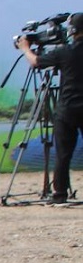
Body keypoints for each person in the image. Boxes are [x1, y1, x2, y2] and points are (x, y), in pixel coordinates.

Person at [18, 13, 83, 203]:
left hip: (67, 109)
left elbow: (36, 62)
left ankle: (60, 194)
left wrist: (25, 48)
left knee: (63, 153)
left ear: (72, 31)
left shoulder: (64, 52)